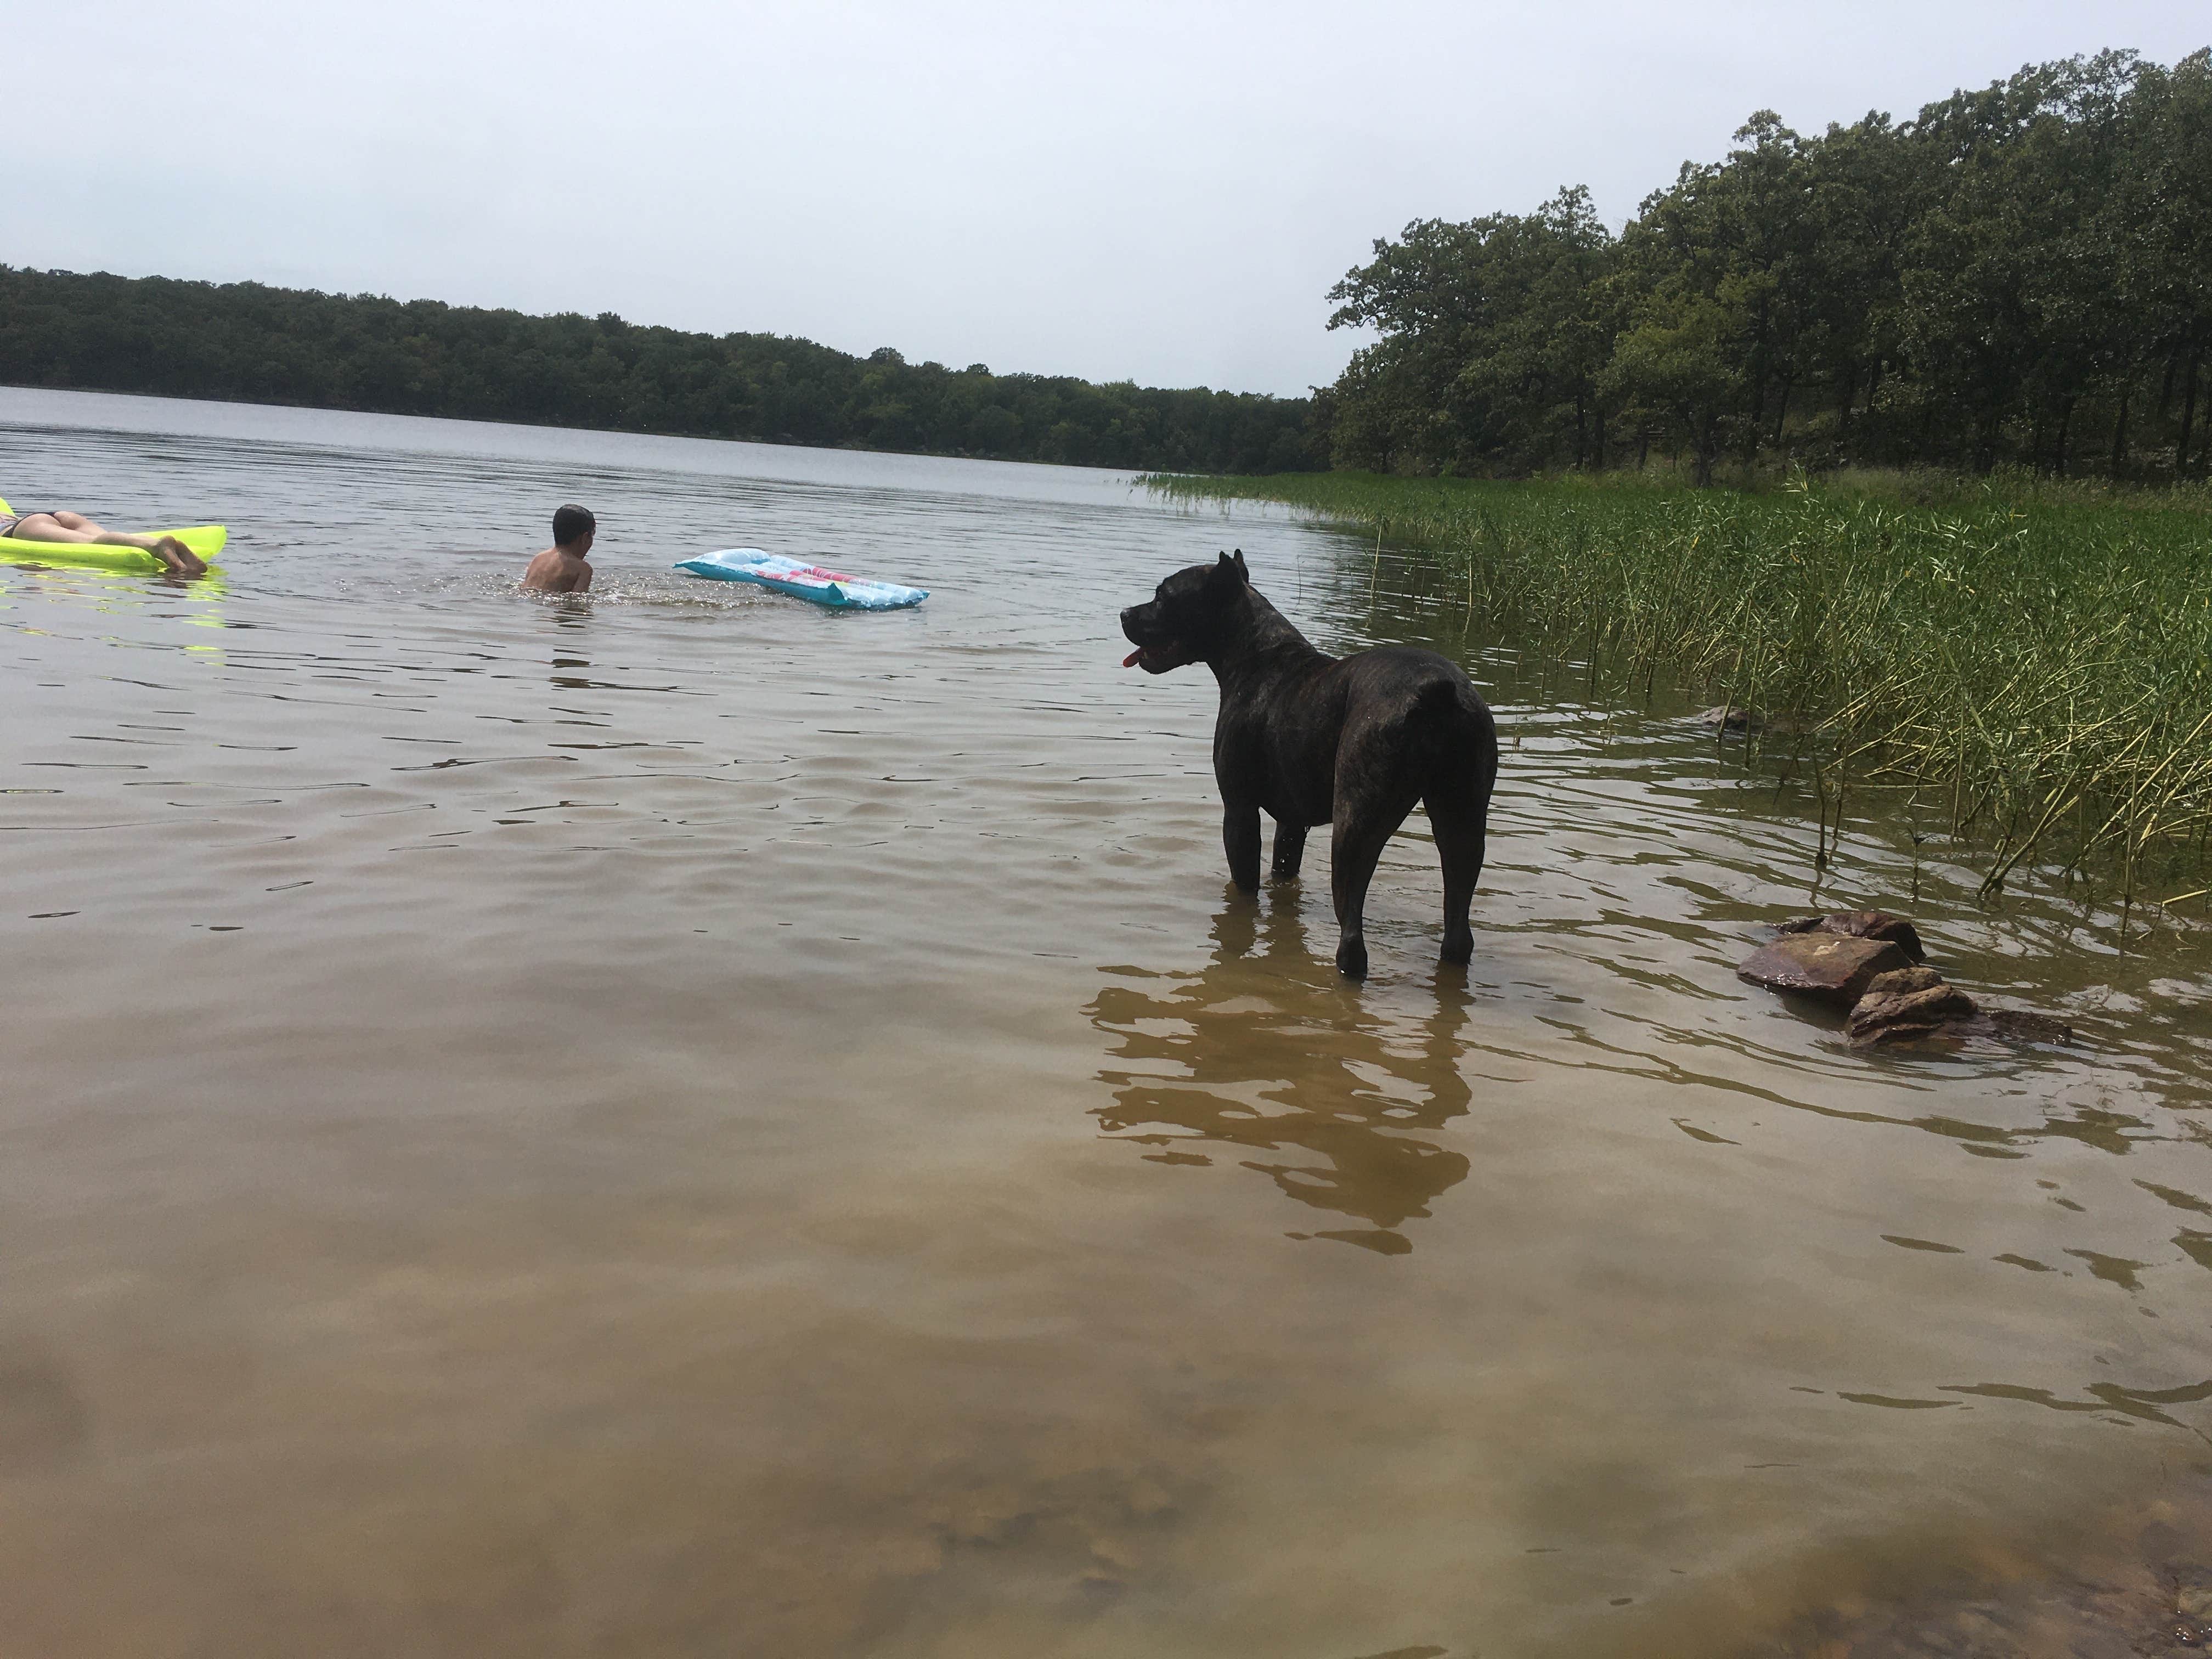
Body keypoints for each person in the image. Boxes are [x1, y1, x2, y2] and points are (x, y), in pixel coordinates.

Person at [0, 509, 206, 574]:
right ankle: (157, 544)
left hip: (26, 528)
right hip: (59, 516)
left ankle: (154, 546)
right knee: (98, 538)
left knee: (94, 545)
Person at [522, 504, 596, 593]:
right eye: (593, 535)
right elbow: (578, 604)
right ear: (585, 538)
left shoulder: (538, 558)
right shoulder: (583, 569)